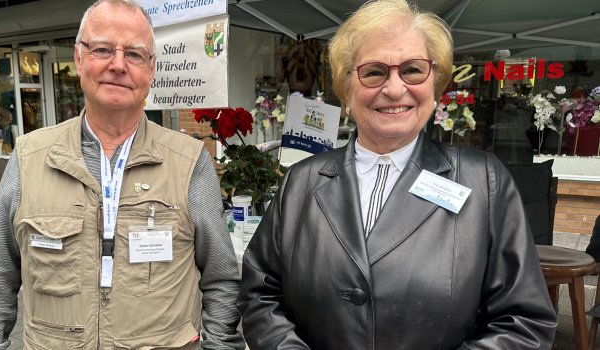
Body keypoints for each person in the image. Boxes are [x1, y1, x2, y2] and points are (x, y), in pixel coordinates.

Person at [237, 1, 557, 349]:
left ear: (435, 84)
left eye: (413, 70)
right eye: (373, 71)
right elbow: (260, 294)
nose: (393, 88)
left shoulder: (484, 182)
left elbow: (524, 322)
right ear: (347, 89)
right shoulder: (301, 181)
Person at [0, 1, 244, 349]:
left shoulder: (188, 161)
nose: (118, 65)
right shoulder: (29, 158)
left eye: (134, 54)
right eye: (102, 49)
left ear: (152, 69)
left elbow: (222, 278)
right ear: (79, 57)